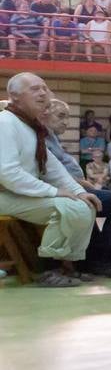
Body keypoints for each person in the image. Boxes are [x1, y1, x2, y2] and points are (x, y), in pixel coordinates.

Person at [0, 74, 101, 287]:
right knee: (68, 208)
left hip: (16, 192)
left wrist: (79, 191)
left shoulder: (30, 125)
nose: (43, 93)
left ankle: (68, 266)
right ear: (15, 97)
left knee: (84, 205)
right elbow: (8, 174)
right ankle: (48, 269)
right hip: (4, 194)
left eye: (44, 88)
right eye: (35, 89)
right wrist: (54, 192)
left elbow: (53, 168)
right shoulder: (5, 123)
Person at [44, 98, 111, 278]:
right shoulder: (40, 138)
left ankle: (100, 259)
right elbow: (49, 172)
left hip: (76, 187)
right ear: (44, 115)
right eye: (60, 116)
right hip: (65, 190)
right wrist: (80, 183)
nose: (66, 122)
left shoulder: (51, 137)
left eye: (67, 117)